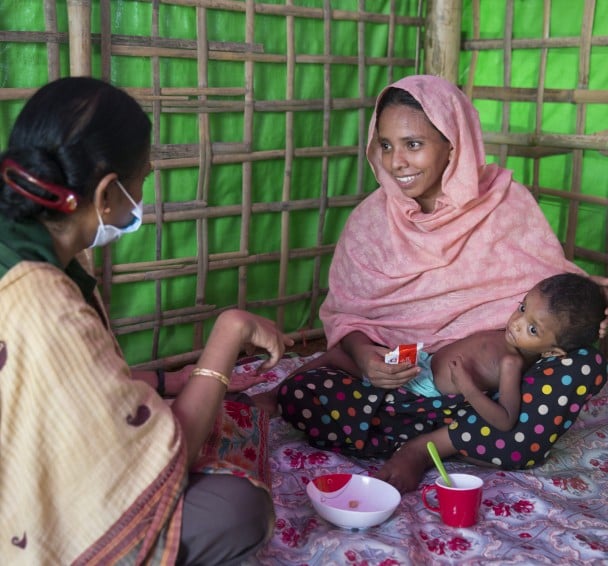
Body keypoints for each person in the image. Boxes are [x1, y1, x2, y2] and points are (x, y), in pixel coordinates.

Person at [0, 77, 294, 565]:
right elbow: (165, 459)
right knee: (240, 509)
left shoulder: (22, 247)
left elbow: (59, 388)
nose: (141, 195)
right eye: (143, 179)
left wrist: (166, 379)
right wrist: (229, 331)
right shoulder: (44, 301)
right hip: (24, 522)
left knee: (229, 413)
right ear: (108, 193)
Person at [267, 74, 608, 493]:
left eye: (413, 144)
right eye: (386, 145)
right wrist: (368, 358)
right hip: (407, 381)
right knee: (307, 393)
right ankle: (452, 438)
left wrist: (588, 319)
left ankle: (424, 447)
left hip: (496, 391)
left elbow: (550, 292)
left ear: (453, 143)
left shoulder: (504, 202)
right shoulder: (370, 222)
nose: (396, 162)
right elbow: (348, 318)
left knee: (582, 365)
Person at [307, 273, 606, 432]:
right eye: (522, 308)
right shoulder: (509, 337)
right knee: (365, 357)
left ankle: (329, 366)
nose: (516, 324)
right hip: (422, 360)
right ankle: (325, 365)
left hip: (423, 386)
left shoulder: (512, 363)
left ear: (552, 351)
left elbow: (505, 420)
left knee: (356, 371)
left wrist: (466, 386)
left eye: (532, 330)